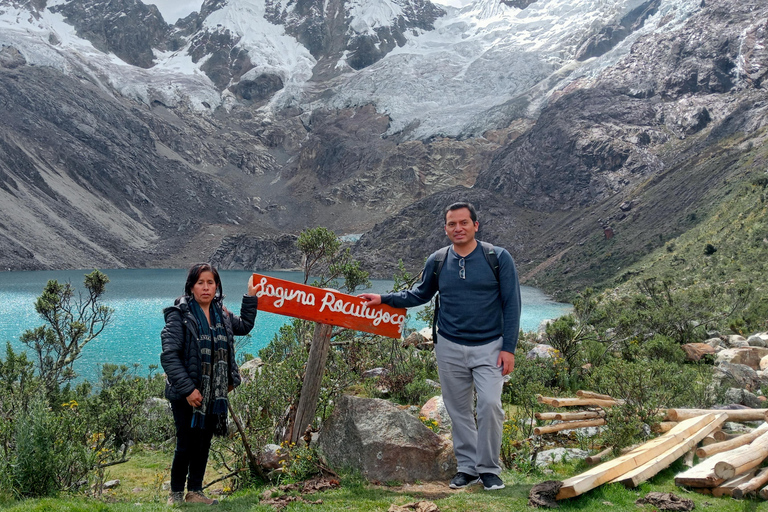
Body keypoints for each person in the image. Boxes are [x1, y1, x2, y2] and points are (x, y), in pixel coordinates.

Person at [359, 202, 521, 491]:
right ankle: (468, 468)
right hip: (448, 346)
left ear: (475, 226)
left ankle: (489, 470)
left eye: (463, 223)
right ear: (445, 228)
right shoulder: (437, 260)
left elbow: (512, 304)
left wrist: (509, 348)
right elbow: (419, 294)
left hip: (490, 347)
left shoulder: (498, 258)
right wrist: (384, 298)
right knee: (458, 411)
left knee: (490, 405)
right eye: (451, 224)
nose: (457, 228)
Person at [160, 263, 258, 505]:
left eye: (210, 282)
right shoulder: (179, 315)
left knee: (203, 443)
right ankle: (175, 494)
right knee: (185, 444)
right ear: (191, 286)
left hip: (212, 394)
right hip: (186, 394)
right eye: (200, 283)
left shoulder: (221, 314)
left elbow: (244, 326)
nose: (206, 287)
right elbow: (170, 356)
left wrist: (250, 297)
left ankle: (195, 492)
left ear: (217, 286)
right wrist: (188, 390)